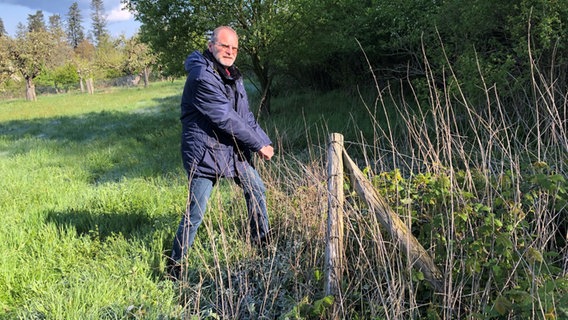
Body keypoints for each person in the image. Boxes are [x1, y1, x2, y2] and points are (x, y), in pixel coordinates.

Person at [169, 26, 274, 279]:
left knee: (256, 189)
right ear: (211, 45)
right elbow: (226, 118)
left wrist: (264, 140)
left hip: (231, 150)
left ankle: (262, 245)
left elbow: (245, 116)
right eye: (224, 46)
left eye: (234, 48)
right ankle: (175, 266)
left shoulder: (231, 74)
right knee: (196, 211)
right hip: (205, 153)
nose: (230, 51)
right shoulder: (201, 76)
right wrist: (257, 145)